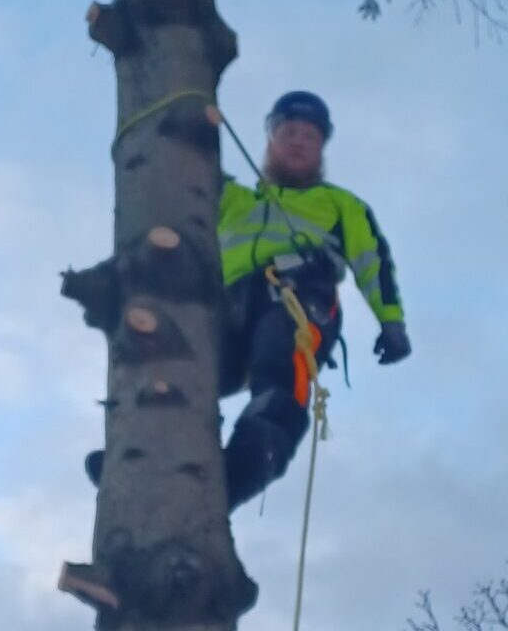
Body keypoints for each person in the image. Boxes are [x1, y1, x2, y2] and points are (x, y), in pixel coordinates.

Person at [87, 90, 410, 509]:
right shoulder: (233, 199)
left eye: (310, 136)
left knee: (280, 366)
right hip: (226, 307)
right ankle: (140, 462)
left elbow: (374, 262)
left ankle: (233, 478)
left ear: (322, 148)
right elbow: (181, 176)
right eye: (288, 131)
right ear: (270, 140)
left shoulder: (340, 204)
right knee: (173, 365)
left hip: (298, 296)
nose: (298, 141)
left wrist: (392, 323)